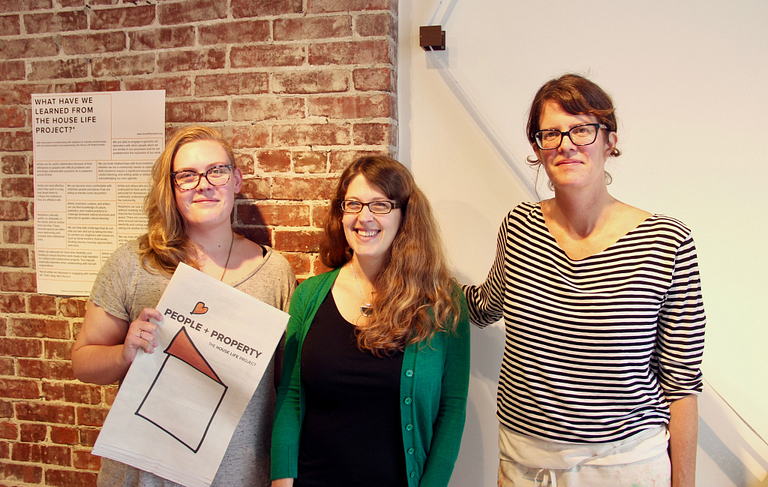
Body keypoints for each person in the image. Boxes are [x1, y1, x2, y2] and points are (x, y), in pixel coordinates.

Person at [463, 74, 706, 487]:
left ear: (609, 141)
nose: (566, 144)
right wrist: (417, 278)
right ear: (538, 150)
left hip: (626, 466)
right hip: (525, 466)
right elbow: (485, 306)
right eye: (551, 134)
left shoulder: (667, 241)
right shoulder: (519, 227)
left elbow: (681, 383)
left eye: (582, 129)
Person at [72, 126, 296, 487]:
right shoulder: (134, 263)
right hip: (144, 474)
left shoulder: (275, 272)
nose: (204, 184)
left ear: (236, 179)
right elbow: (82, 363)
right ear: (172, 188)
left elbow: (288, 387)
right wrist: (123, 353)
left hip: (238, 476)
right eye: (187, 176)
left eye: (216, 171)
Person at [270, 156, 470, 487]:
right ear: (341, 213)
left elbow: (452, 411)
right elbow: (291, 395)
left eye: (380, 205)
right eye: (354, 204)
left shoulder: (442, 302)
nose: (364, 217)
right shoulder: (309, 296)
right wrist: (282, 478)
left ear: (405, 215)